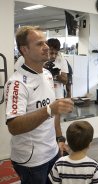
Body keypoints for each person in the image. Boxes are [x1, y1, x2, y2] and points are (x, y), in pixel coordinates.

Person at [5, 26, 74, 184]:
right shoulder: (16, 83)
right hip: (32, 161)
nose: (46, 47)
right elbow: (14, 127)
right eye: (39, 44)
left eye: (45, 42)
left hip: (52, 151)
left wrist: (59, 138)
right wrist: (49, 109)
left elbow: (53, 112)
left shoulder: (48, 75)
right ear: (25, 50)